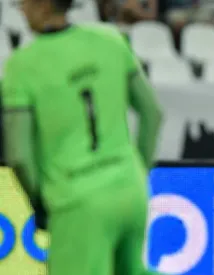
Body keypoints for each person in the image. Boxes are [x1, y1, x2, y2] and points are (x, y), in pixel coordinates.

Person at [2, 0, 163, 275]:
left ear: (42, 6)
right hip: (129, 189)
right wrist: (138, 171)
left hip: (76, 200)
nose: (21, 9)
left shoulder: (22, 66)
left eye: (24, 3)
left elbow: (18, 155)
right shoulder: (111, 41)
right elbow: (152, 113)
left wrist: (39, 202)